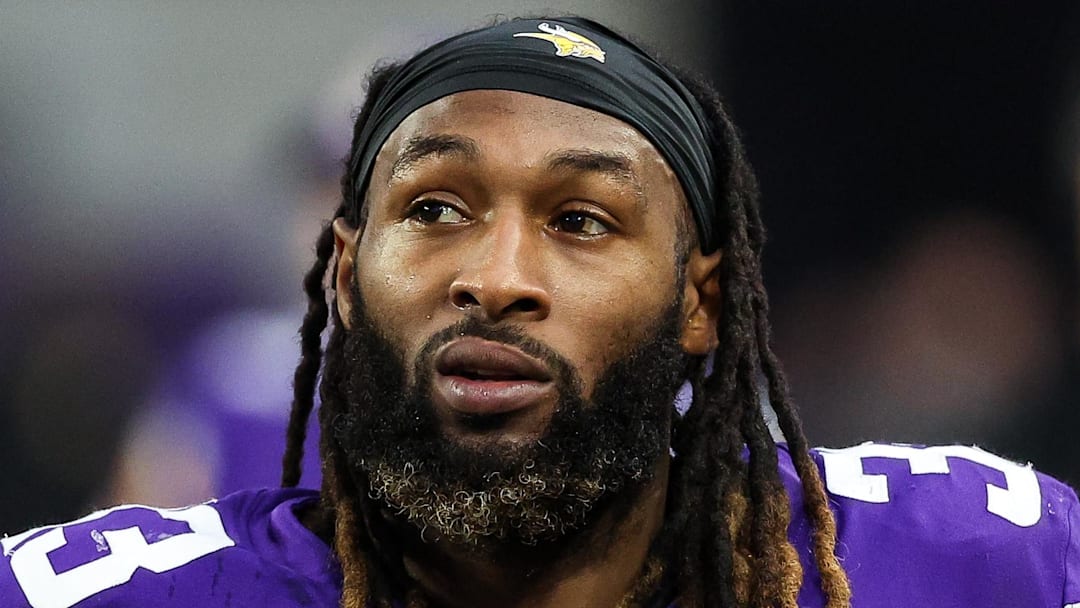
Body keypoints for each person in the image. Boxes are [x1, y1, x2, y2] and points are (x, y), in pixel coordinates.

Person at [1, 16, 1077, 608]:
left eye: (582, 218)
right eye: (433, 206)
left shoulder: (982, 559)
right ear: (341, 272)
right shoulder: (113, 587)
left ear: (702, 300)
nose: (496, 274)